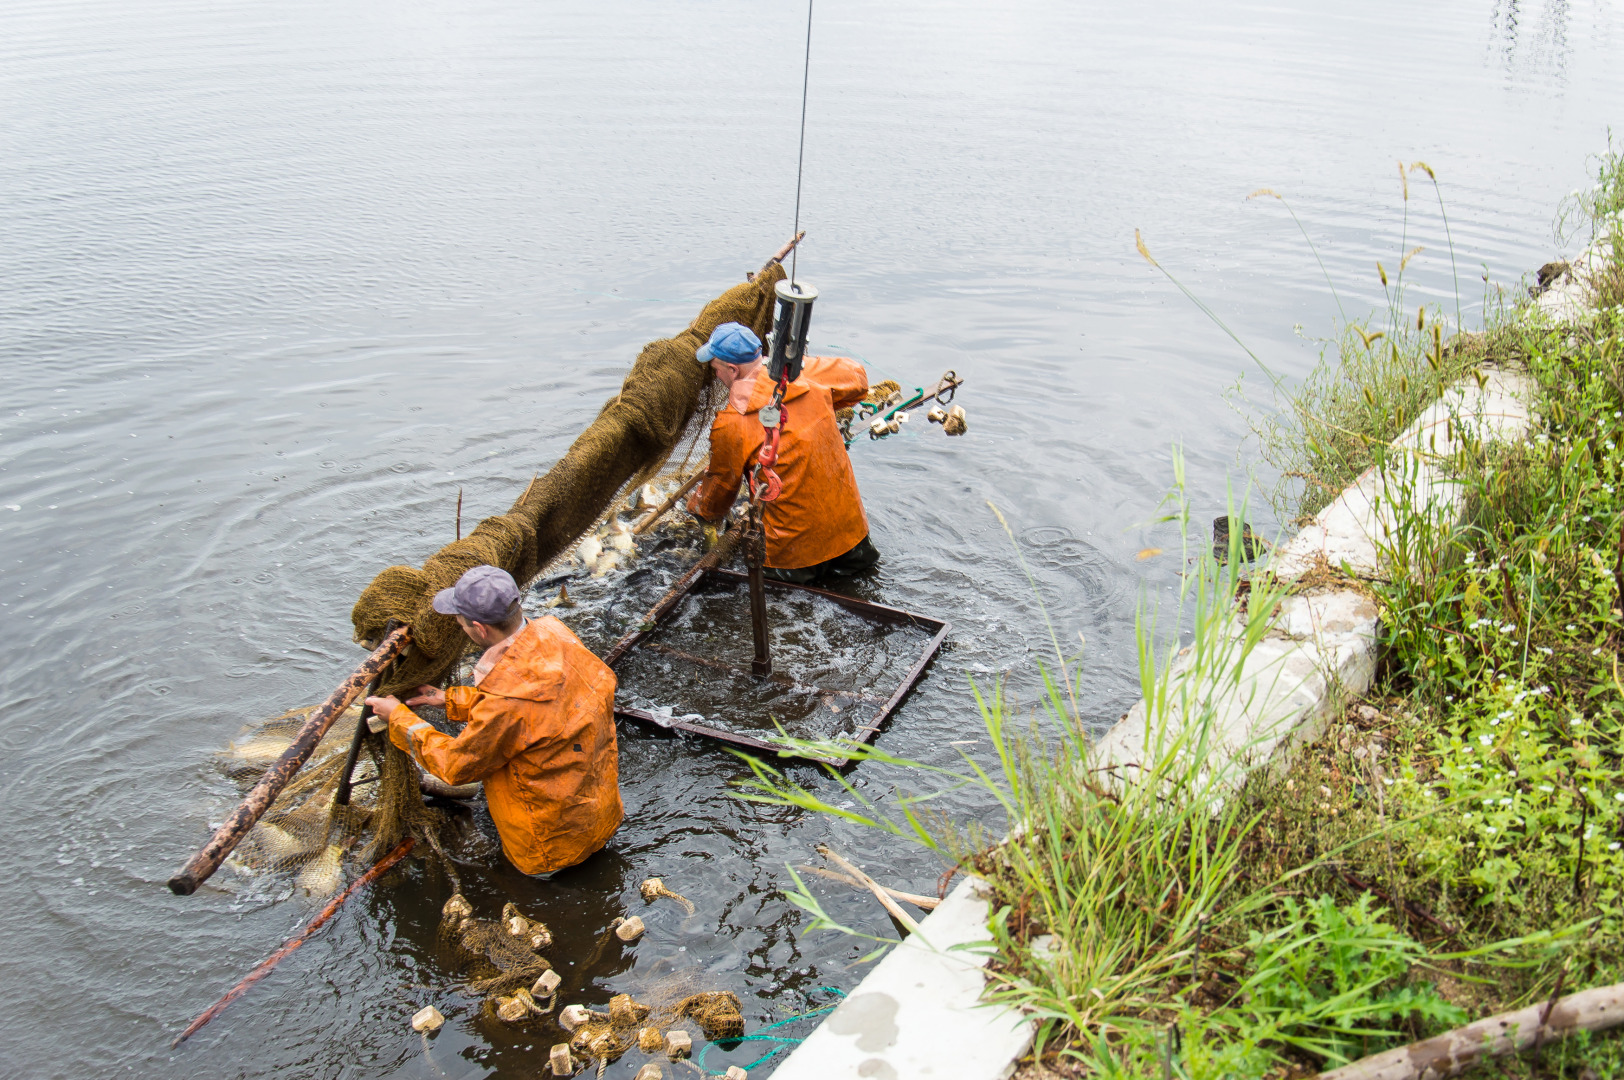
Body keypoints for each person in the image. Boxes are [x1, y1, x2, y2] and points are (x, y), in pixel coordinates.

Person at [364, 564, 621, 876]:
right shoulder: (556, 634)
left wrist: (399, 718)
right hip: (601, 816)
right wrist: (449, 699)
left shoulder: (505, 702)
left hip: (548, 848)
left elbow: (456, 766)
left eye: (461, 625)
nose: (462, 631)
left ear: (479, 629)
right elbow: (540, 711)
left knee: (539, 882)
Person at [687, 321, 880, 584]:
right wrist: (825, 399)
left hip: (792, 558)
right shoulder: (806, 373)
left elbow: (719, 492)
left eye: (716, 370)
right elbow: (858, 379)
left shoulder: (732, 423)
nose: (716, 376)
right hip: (851, 540)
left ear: (732, 370)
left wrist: (699, 508)